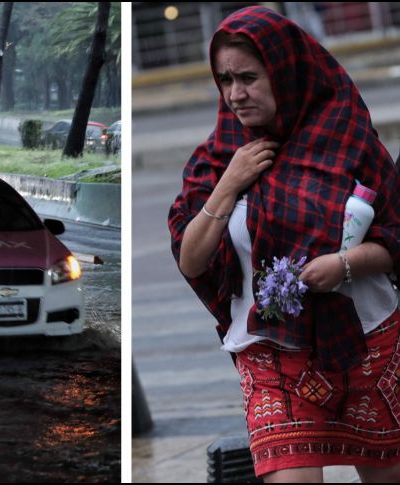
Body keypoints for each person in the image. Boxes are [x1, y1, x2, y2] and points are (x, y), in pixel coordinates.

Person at [168, 6, 400, 483]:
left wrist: (345, 264)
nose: (236, 94)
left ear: (285, 71)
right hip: (271, 353)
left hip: (367, 345)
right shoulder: (218, 158)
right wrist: (229, 183)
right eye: (225, 80)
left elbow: (395, 237)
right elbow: (191, 260)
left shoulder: (351, 142)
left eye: (249, 78)